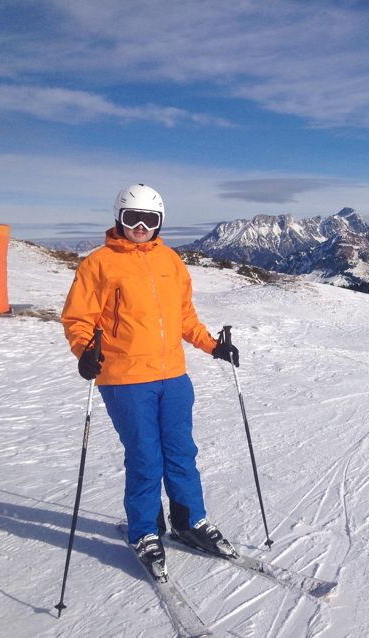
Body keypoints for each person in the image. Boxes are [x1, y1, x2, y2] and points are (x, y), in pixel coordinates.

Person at [61, 184, 241, 581]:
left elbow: (184, 317)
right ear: (118, 218)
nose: (140, 227)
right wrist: (84, 352)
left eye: (149, 220)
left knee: (181, 452)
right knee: (145, 456)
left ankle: (189, 521)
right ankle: (144, 530)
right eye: (132, 218)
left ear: (159, 223)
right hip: (125, 378)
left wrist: (213, 346)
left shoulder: (170, 261)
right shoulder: (99, 264)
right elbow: (78, 319)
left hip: (173, 376)